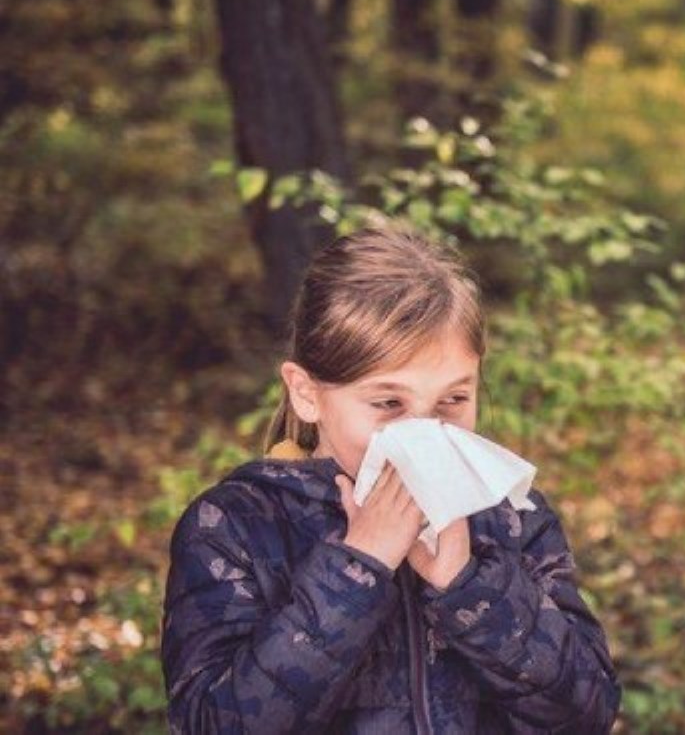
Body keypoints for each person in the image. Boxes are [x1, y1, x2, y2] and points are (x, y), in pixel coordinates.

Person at [161, 226, 620, 733]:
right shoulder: (236, 526)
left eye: (451, 401)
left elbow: (587, 713)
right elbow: (210, 723)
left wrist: (470, 587)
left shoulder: (512, 519)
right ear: (307, 393)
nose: (422, 433)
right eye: (388, 404)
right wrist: (357, 569)